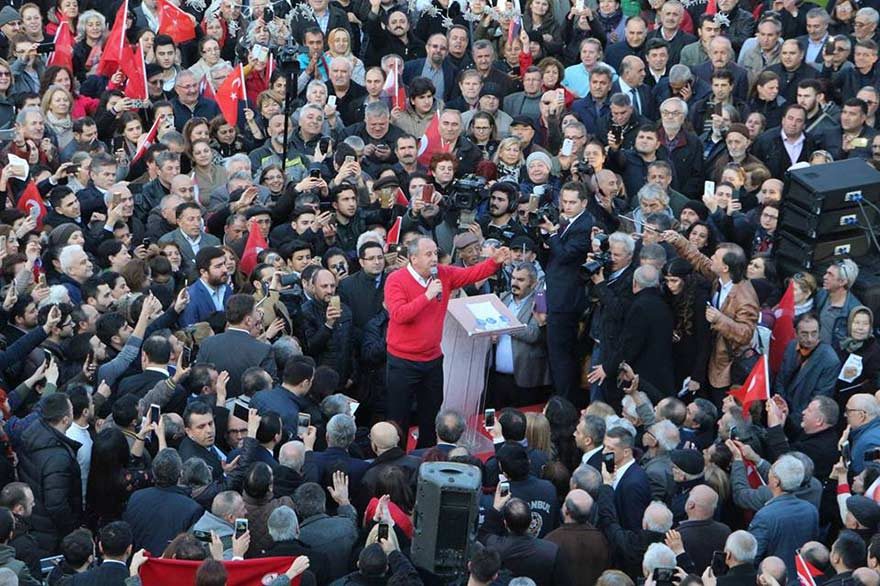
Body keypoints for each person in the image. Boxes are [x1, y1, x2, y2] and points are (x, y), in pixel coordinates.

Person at [384, 236, 508, 448]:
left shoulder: (443, 274)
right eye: (428, 254)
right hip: (402, 361)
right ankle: (397, 461)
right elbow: (399, 315)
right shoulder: (396, 280)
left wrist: (493, 262)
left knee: (431, 415)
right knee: (399, 416)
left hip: (432, 359)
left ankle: (427, 456)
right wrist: (428, 296)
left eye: (435, 253)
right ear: (413, 258)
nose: (434, 259)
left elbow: (470, 274)